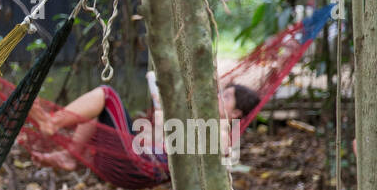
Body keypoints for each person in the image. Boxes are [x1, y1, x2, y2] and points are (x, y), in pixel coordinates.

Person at [33, 77, 261, 172]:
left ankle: (52, 123)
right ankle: (71, 155)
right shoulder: (205, 125)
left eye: (226, 97)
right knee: (96, 110)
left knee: (107, 95)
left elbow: (179, 154)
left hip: (139, 164)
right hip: (137, 153)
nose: (218, 96)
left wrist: (166, 119)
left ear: (236, 114)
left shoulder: (221, 135)